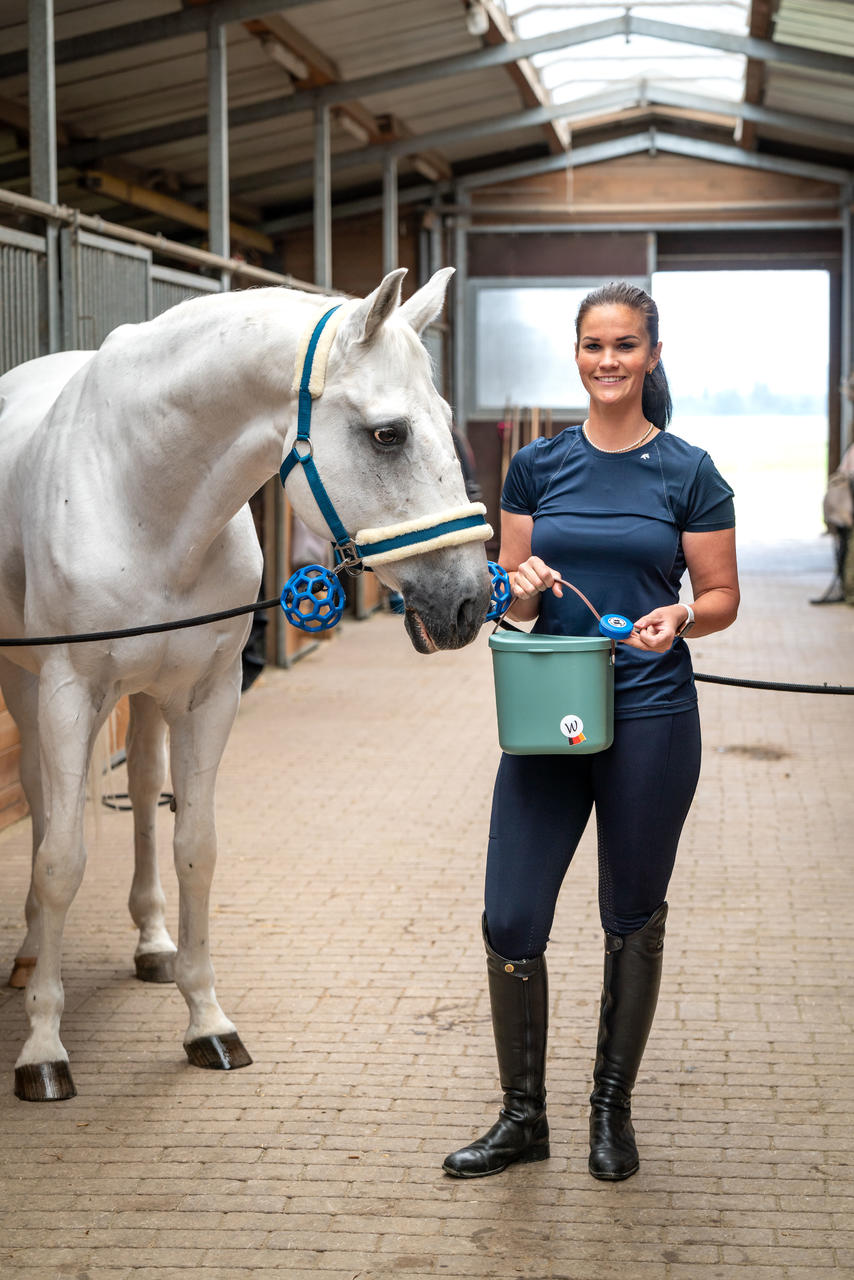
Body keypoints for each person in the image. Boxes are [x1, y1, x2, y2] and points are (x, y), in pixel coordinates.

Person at [443, 280, 740, 1183]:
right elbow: (508, 592)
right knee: (511, 913)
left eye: (624, 345)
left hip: (652, 712)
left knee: (630, 914)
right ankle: (521, 1119)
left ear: (651, 356)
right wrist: (520, 593)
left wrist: (680, 620)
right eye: (592, 345)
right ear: (577, 356)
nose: (607, 360)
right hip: (549, 713)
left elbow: (721, 596)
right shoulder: (537, 466)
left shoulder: (689, 471)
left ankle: (610, 1112)